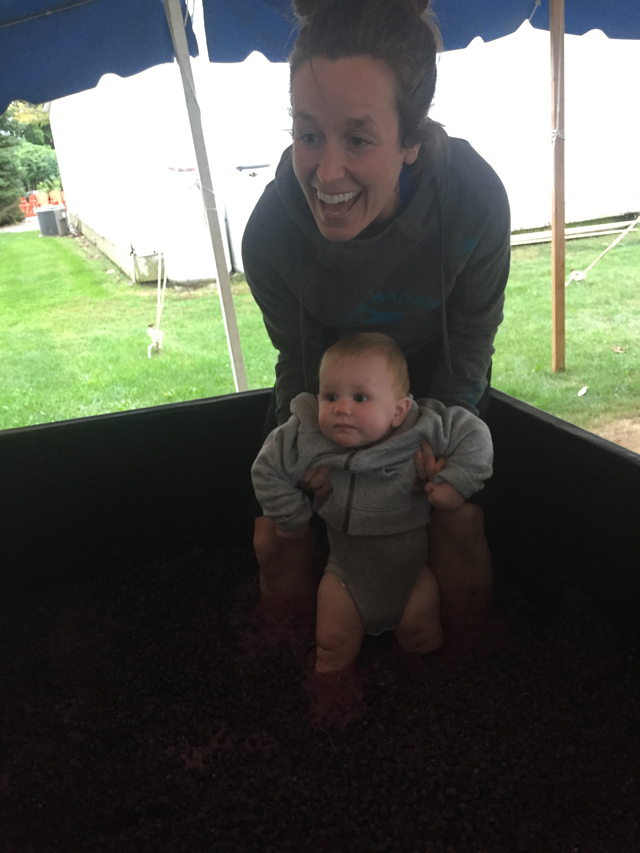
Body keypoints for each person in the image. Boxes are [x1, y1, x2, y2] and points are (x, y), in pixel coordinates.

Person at [242, 0, 510, 649]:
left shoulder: (474, 200)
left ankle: (465, 665)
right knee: (274, 535)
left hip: (433, 397)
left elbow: (471, 342)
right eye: (308, 134)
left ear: (411, 139)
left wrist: (435, 445)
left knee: (458, 524)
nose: (327, 172)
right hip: (328, 400)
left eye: (358, 139)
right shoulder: (269, 234)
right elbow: (297, 358)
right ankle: (285, 662)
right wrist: (310, 444)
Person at [252, 333, 494, 674]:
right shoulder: (306, 435)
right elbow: (266, 469)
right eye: (330, 396)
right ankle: (328, 697)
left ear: (398, 410)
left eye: (360, 397)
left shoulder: (422, 427)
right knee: (331, 648)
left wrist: (456, 482)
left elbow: (476, 435)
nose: (342, 408)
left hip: (412, 576)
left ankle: (434, 686)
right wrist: (291, 517)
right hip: (345, 578)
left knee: (423, 639)